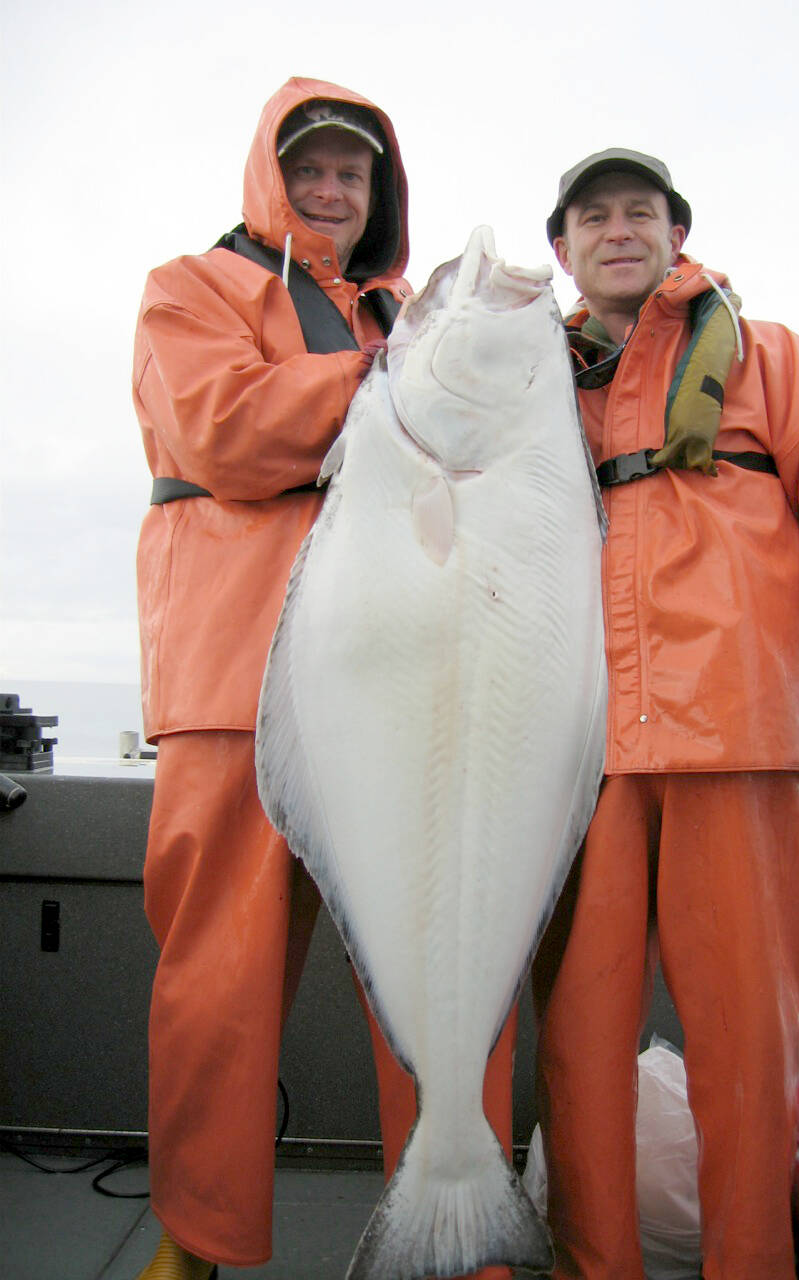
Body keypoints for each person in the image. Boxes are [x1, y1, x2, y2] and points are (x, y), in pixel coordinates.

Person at [531, 148, 799, 1280]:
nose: (621, 229)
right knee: (580, 1048)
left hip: (742, 743)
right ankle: (592, 1266)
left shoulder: (780, 365)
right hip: (580, 763)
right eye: (593, 216)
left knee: (747, 1052)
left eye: (643, 212)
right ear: (561, 249)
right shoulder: (524, 382)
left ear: (678, 233)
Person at [132, 77, 515, 1280]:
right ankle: (195, 1241)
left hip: (402, 695)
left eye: (355, 172)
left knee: (453, 959)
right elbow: (221, 429)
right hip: (229, 679)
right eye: (311, 167)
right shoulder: (190, 290)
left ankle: (468, 1243)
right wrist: (401, 378)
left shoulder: (407, 317)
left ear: (380, 194)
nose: (332, 188)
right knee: (217, 980)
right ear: (268, 174)